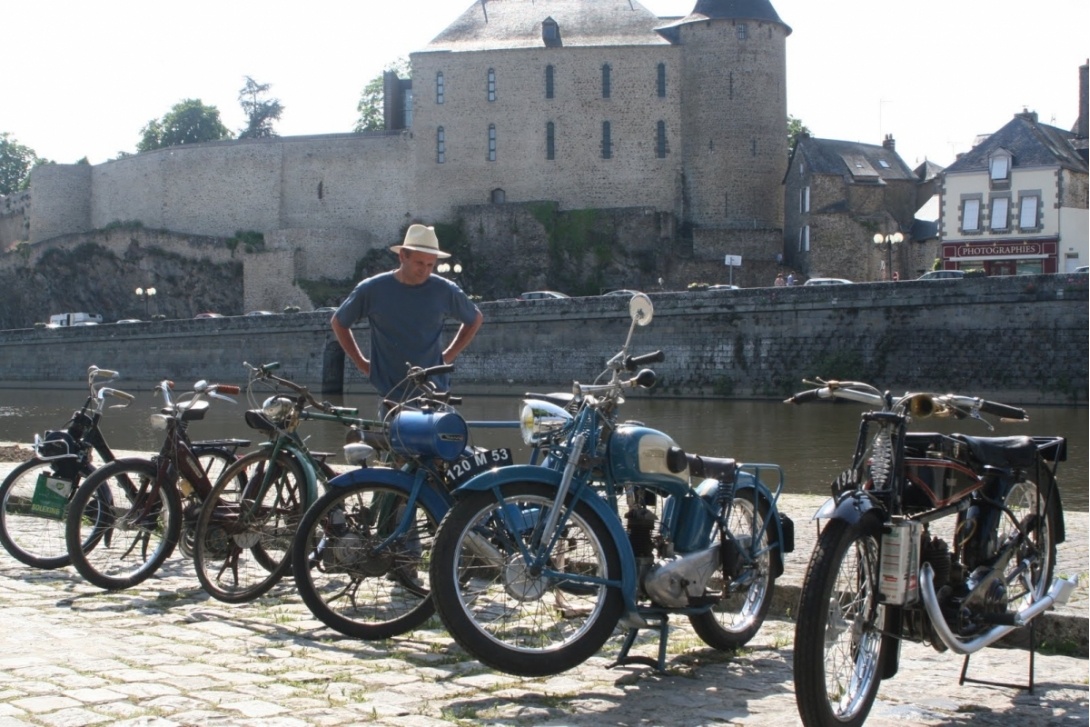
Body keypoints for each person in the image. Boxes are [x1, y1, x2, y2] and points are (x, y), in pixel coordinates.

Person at [331, 224, 483, 402]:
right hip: (391, 395)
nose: (425, 270)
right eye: (419, 263)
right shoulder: (372, 289)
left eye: (430, 265)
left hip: (435, 392)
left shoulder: (444, 290)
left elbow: (475, 318)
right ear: (403, 256)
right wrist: (361, 364)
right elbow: (339, 322)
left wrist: (449, 355)